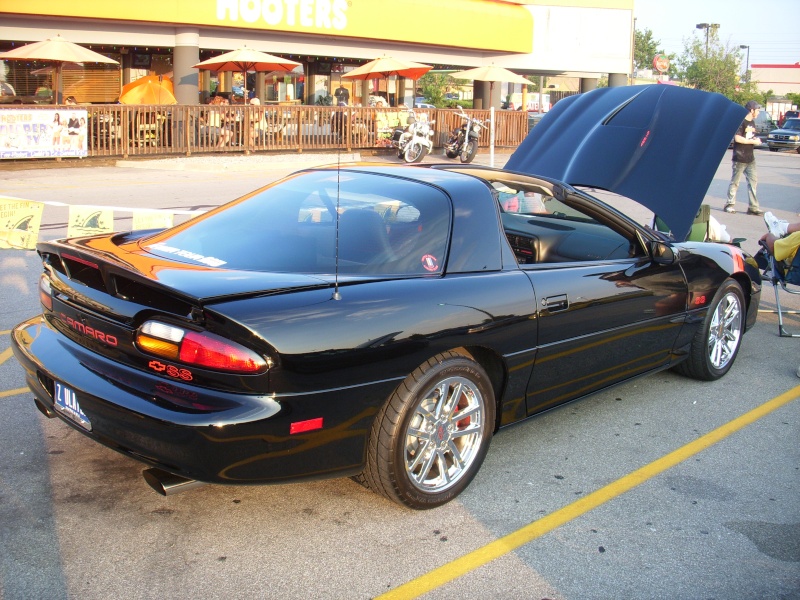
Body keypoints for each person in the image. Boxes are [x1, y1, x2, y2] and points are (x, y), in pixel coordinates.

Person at [724, 100, 764, 216]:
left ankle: (753, 207)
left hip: (750, 158)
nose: (758, 112)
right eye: (757, 110)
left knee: (753, 182)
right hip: (739, 157)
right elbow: (737, 138)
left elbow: (751, 137)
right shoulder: (741, 122)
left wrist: (756, 141)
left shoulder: (752, 123)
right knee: (735, 182)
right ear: (752, 110)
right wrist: (752, 141)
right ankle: (729, 205)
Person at [762, 212, 800, 285]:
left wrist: (769, 236)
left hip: (794, 273)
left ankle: (781, 227)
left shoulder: (797, 237)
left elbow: (774, 248)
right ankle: (783, 227)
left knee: (774, 250)